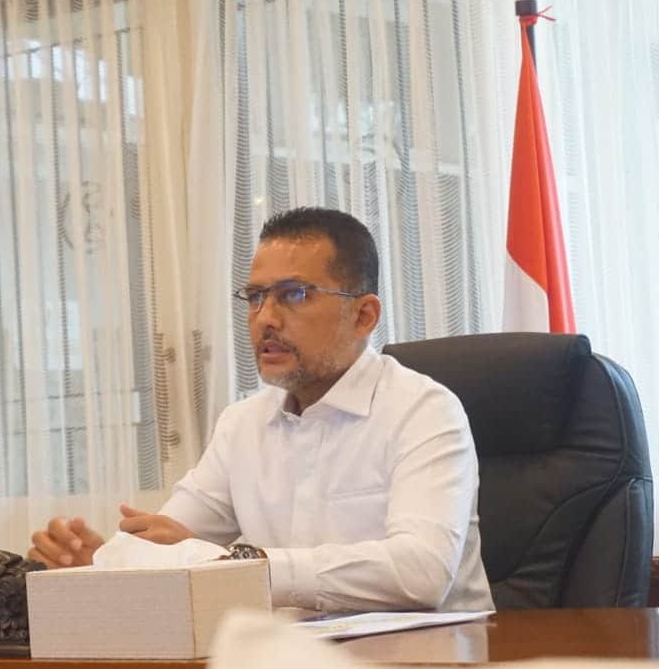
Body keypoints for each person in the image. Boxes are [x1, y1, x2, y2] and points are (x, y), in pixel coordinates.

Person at [29, 207, 494, 613]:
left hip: (430, 663)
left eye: (294, 294)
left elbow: (421, 572)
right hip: (289, 663)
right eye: (255, 297)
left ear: (363, 316)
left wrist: (241, 564)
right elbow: (173, 546)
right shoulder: (242, 424)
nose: (265, 318)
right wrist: (105, 564)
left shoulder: (424, 411)